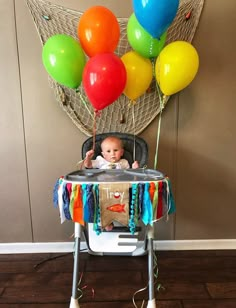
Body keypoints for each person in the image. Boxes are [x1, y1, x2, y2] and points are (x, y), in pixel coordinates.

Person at [84, 136, 139, 231]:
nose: (112, 154)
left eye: (116, 150)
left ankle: (125, 219)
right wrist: (88, 157)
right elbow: (88, 165)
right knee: (103, 204)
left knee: (123, 202)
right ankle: (106, 222)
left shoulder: (124, 162)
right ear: (103, 154)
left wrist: (135, 169)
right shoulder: (100, 161)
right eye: (108, 151)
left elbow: (131, 175)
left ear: (121, 152)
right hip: (104, 188)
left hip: (120, 188)